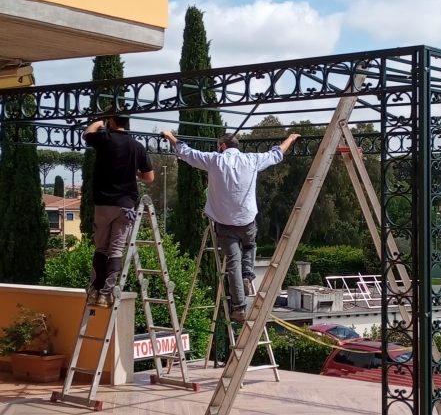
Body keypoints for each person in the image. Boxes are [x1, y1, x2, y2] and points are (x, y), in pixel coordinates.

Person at [161, 129, 300, 322]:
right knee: (250, 246)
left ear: (223, 146)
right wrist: (290, 139)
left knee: (233, 263)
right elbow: (276, 154)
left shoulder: (214, 160)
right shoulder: (252, 160)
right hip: (246, 220)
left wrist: (170, 137)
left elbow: (187, 153)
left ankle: (239, 308)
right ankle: (247, 274)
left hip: (224, 223)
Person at [83, 113, 154, 308]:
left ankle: (94, 292)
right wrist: (135, 172)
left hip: (103, 203)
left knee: (101, 248)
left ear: (111, 122)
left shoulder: (104, 139)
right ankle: (106, 295)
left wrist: (96, 122)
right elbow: (149, 177)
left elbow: (87, 135)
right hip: (125, 205)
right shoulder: (137, 146)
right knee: (116, 249)